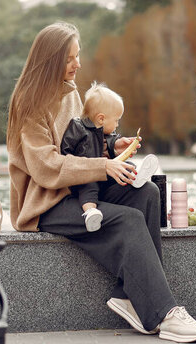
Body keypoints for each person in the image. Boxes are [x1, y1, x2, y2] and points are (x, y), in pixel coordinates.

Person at [6, 22, 196, 343]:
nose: (78, 64)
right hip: (46, 204)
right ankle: (163, 313)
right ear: (50, 61)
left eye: (78, 56)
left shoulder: (71, 95)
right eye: (70, 58)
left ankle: (128, 295)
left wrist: (112, 147)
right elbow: (46, 167)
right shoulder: (28, 105)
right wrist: (104, 166)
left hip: (80, 191)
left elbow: (82, 144)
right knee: (127, 220)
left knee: (147, 192)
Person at [60, 81, 159, 232]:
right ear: (101, 119)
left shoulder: (104, 132)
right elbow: (66, 150)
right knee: (89, 187)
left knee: (126, 167)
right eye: (116, 120)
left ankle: (135, 177)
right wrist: (80, 164)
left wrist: (117, 144)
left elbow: (109, 142)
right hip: (86, 176)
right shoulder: (78, 127)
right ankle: (90, 212)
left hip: (103, 174)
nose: (117, 124)